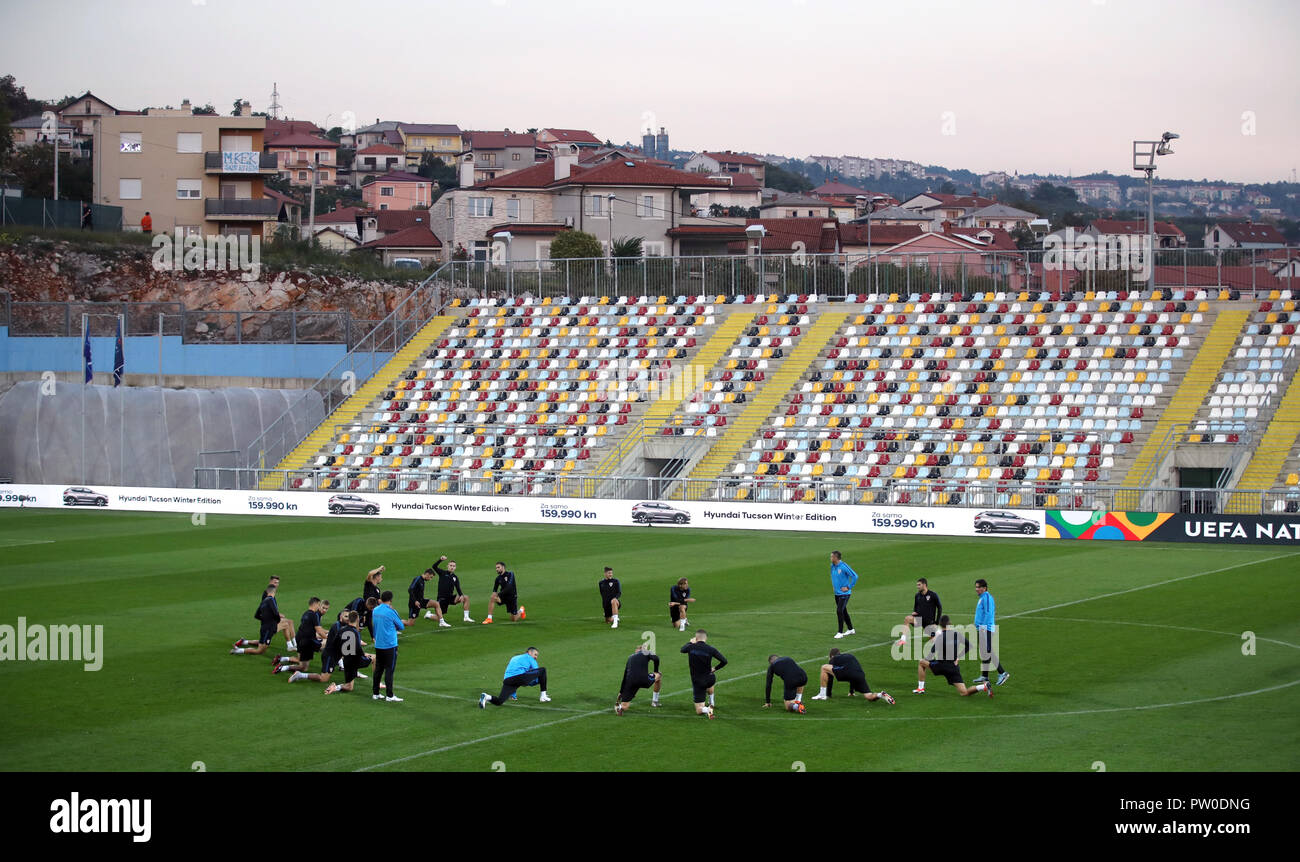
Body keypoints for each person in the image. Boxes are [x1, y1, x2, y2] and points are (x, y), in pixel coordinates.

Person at [915, 616, 992, 698]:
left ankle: (920, 688)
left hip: (941, 666)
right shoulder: (957, 634)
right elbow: (969, 645)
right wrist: (958, 657)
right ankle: (983, 686)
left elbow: (931, 654)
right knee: (964, 692)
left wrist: (929, 661)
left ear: (940, 625)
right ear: (950, 624)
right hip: (953, 667)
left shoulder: (940, 637)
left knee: (921, 662)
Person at [811, 648, 895, 704]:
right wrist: (851, 692)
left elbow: (830, 677)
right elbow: (852, 676)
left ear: (831, 656)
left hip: (848, 672)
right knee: (869, 696)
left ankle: (822, 695)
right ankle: (880, 694)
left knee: (824, 667)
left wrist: (828, 694)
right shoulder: (849, 656)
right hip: (860, 674)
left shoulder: (834, 659)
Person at [274, 598, 329, 675]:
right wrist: (328, 638)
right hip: (308, 642)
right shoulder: (314, 615)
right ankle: (334, 664)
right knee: (328, 644)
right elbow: (319, 631)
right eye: (319, 605)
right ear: (315, 604)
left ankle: (282, 666)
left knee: (303, 666)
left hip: (300, 639)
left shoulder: (306, 613)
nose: (319, 607)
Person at [479, 647, 550, 707]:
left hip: (507, 680)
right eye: (535, 655)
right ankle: (543, 696)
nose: (536, 657)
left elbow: (512, 673)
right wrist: (537, 682)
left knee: (499, 701)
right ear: (529, 653)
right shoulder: (530, 658)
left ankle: (486, 696)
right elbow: (537, 672)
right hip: (521, 678)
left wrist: (513, 695)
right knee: (543, 670)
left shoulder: (514, 658)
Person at [325, 611, 374, 695]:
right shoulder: (356, 632)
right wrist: (364, 655)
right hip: (356, 660)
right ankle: (377, 684)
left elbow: (335, 644)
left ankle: (335, 687)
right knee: (375, 658)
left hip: (347, 661)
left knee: (349, 687)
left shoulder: (341, 630)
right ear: (357, 619)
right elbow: (358, 649)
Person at [681, 630, 726, 718]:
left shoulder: (691, 647)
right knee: (709, 680)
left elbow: (682, 650)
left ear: (696, 638)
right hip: (710, 679)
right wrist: (715, 668)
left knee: (699, 710)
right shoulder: (711, 649)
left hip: (698, 681)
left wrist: (690, 642)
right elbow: (724, 661)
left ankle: (708, 709)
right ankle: (711, 702)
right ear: (706, 638)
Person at [973, 578, 1009, 686]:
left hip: (986, 628)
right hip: (982, 628)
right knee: (985, 652)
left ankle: (1002, 672)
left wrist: (982, 628)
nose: (976, 589)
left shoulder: (987, 598)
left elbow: (988, 614)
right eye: (976, 587)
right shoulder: (982, 598)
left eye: (978, 587)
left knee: (988, 650)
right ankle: (984, 676)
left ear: (984, 588)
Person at [371, 591, 405, 702]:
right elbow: (401, 626)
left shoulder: (375, 610)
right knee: (389, 670)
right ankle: (390, 696)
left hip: (379, 644)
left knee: (378, 669)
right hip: (390, 645)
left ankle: (375, 693)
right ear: (391, 599)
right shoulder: (391, 611)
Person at [231, 582, 282, 656]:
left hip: (263, 627)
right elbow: (276, 613)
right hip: (269, 628)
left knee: (260, 649)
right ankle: (238, 650)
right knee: (260, 651)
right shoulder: (271, 600)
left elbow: (256, 615)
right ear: (275, 591)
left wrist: (265, 620)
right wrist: (277, 621)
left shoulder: (263, 601)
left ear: (267, 591)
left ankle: (238, 650)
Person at [615, 644, 661, 715]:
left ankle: (621, 708)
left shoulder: (630, 657)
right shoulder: (646, 652)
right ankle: (655, 701)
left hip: (630, 682)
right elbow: (656, 658)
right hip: (644, 680)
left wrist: (621, 691)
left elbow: (625, 676)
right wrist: (656, 671)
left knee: (625, 706)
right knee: (659, 675)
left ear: (636, 650)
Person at [897, 578, 942, 649]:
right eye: (917, 585)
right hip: (919, 619)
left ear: (924, 585)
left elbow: (939, 607)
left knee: (934, 640)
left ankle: (939, 632)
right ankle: (903, 639)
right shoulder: (917, 595)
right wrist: (914, 612)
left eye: (919, 585)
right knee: (907, 619)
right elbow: (916, 607)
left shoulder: (933, 595)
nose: (917, 586)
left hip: (929, 622)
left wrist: (937, 622)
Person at [432, 555, 473, 624]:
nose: (452, 567)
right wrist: (440, 560)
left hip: (450, 598)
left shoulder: (455, 577)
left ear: (455, 568)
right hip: (442, 598)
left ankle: (466, 617)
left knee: (465, 597)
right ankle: (429, 615)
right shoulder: (442, 573)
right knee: (438, 618)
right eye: (450, 565)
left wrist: (461, 596)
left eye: (453, 566)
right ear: (447, 566)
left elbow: (458, 588)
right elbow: (434, 567)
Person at [830, 550, 858, 639]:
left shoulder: (843, 566)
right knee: (843, 611)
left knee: (839, 611)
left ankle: (840, 632)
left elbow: (855, 576)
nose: (830, 558)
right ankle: (851, 629)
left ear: (836, 558)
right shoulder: (832, 566)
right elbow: (832, 576)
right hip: (837, 593)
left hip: (844, 594)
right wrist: (834, 585)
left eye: (831, 557)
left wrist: (848, 587)